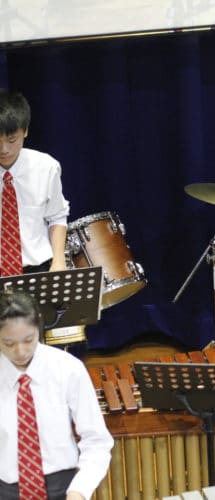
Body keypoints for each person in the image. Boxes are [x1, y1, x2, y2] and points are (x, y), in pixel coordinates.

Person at [0, 290, 113, 499]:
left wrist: (79, 491)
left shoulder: (68, 368)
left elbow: (97, 441)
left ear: (39, 325)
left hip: (64, 487)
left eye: (28, 340)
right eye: (9, 343)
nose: (20, 351)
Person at [0, 89, 69, 274]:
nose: (4, 149)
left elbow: (57, 216)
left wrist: (59, 261)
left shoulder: (46, 167)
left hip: (36, 270)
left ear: (25, 131)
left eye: (11, 139)